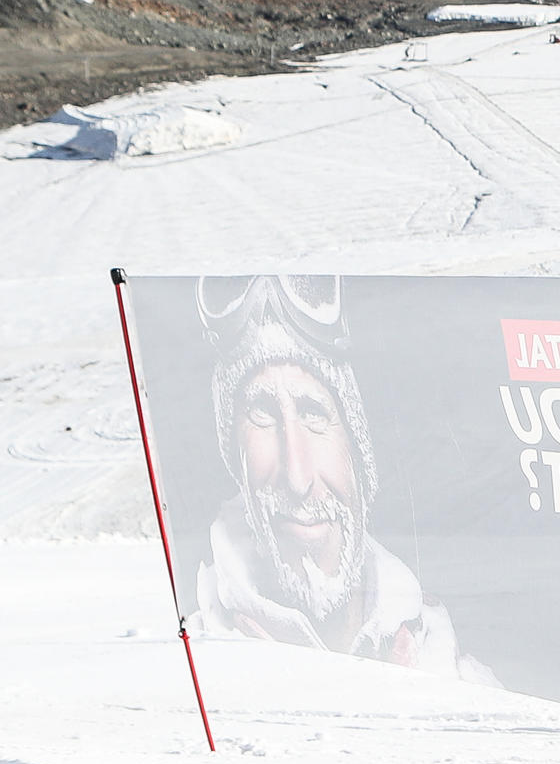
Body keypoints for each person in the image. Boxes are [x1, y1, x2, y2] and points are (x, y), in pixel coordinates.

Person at [189, 275, 494, 684]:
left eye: (314, 413)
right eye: (262, 414)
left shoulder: (458, 677)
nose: (298, 479)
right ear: (235, 460)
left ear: (360, 454)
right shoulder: (201, 671)